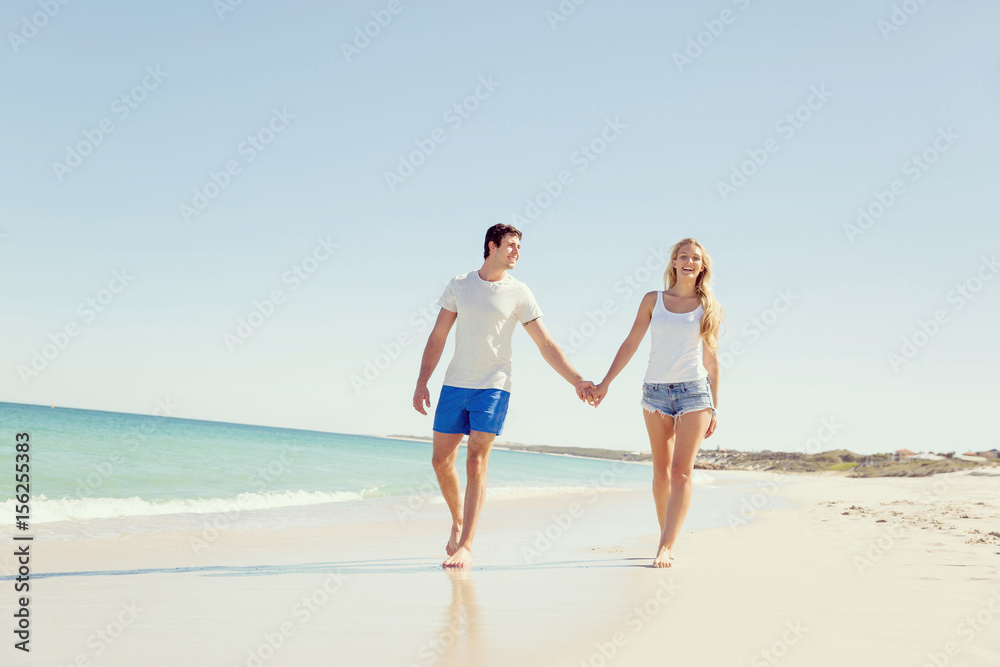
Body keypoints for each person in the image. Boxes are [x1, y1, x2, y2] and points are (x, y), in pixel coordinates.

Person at [413, 224, 596, 568]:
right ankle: (457, 520)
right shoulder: (460, 285)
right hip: (455, 384)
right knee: (440, 462)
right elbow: (437, 336)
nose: (517, 252)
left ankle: (467, 544)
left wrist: (576, 379)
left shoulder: (520, 292)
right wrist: (423, 380)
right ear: (492, 246)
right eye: (511, 245)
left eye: (519, 247)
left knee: (476, 459)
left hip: (494, 385)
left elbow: (546, 343)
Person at [586, 238, 722, 568]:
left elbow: (713, 361)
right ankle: (667, 534)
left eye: (696, 258)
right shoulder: (653, 300)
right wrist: (605, 383)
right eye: (683, 256)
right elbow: (631, 342)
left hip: (694, 394)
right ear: (674, 262)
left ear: (702, 267)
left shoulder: (710, 308)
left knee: (681, 473)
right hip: (655, 393)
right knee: (661, 473)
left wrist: (715, 406)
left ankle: (666, 546)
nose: (689, 261)